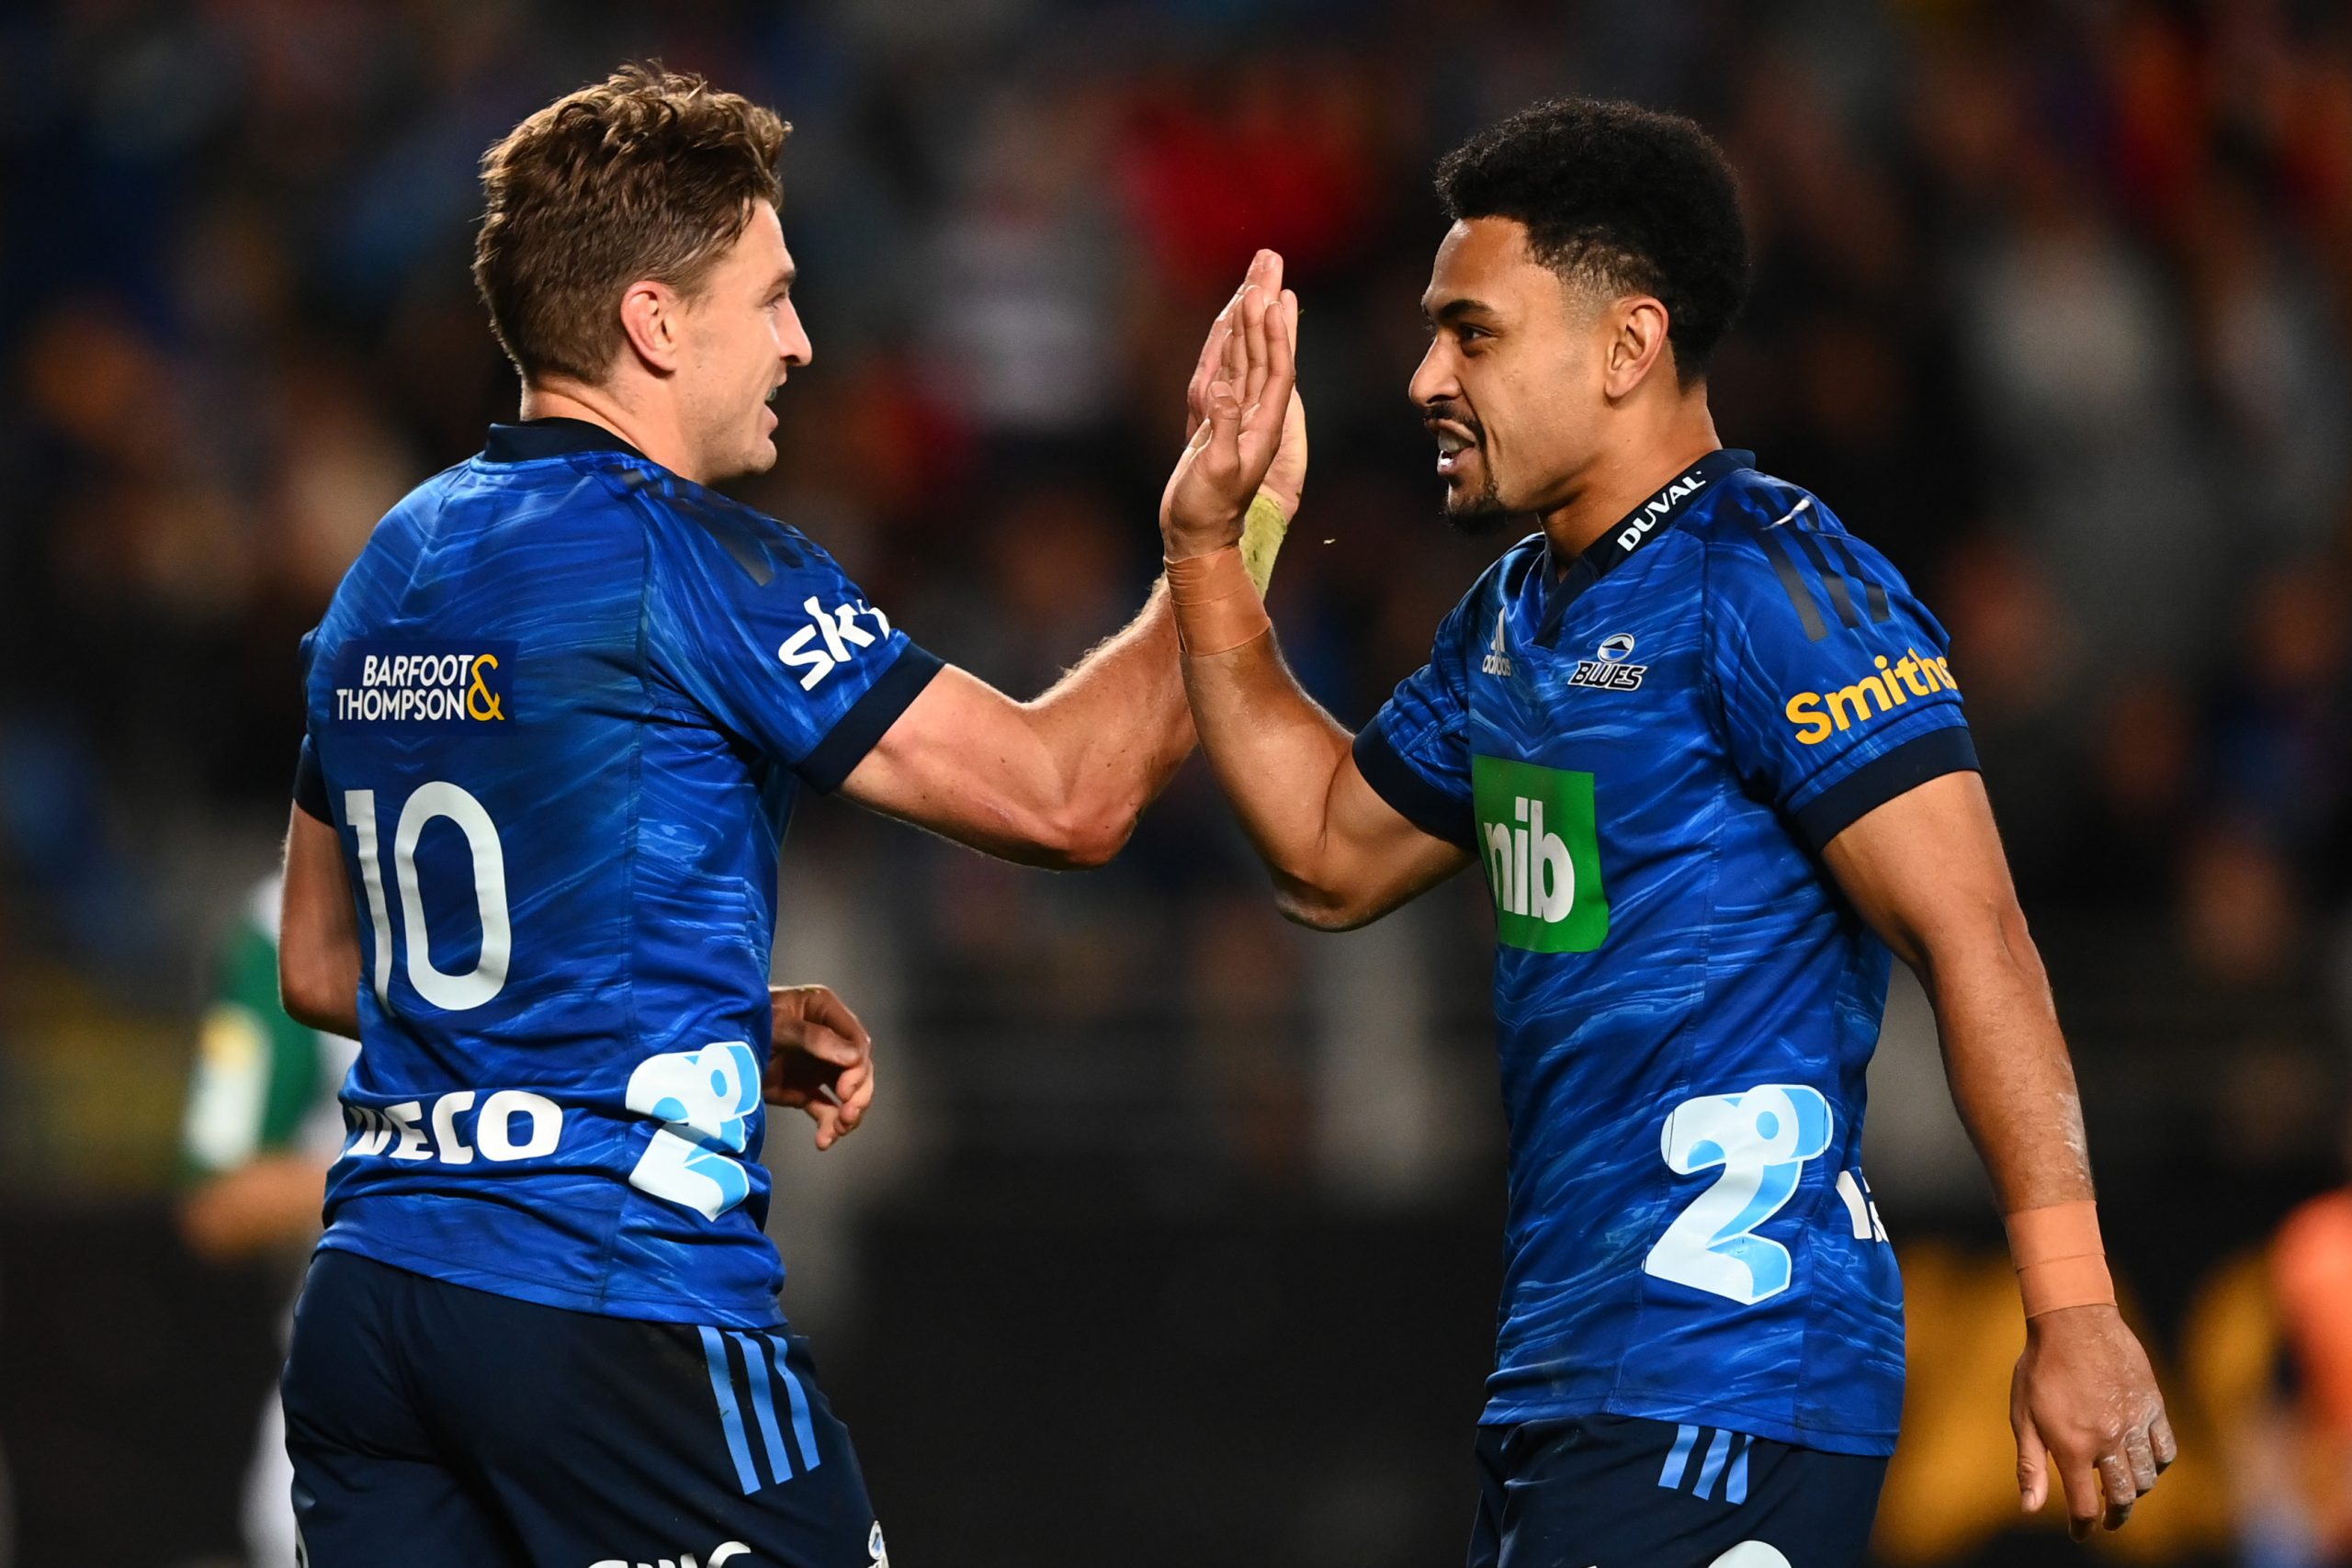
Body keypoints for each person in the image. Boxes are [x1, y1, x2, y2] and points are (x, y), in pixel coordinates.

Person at [274, 63, 1299, 1566]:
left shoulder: (390, 562)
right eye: (772, 297)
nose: (803, 340)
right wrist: (1232, 529)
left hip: (376, 1312)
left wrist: (690, 1020)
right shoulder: (694, 561)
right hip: (612, 1302)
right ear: (654, 320)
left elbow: (320, 961)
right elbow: (1066, 796)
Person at [1157, 98, 2175, 1568]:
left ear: (1629, 345)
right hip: (1569, 1377)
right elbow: (1327, 853)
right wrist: (1211, 549)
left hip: (1730, 1374)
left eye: (1475, 332)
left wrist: (2073, 1305)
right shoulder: (1512, 623)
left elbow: (1977, 933)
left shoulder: (1773, 586)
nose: (1425, 373)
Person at [177, 874, 359, 1566]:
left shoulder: (594, 862)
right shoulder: (288, 916)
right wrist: (424, 1157)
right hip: (363, 1399)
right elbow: (218, 1197)